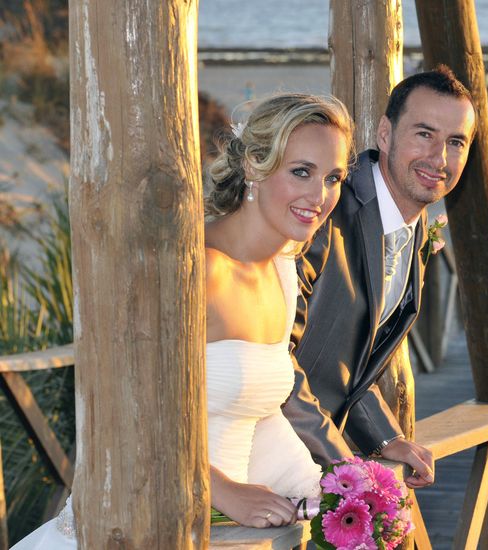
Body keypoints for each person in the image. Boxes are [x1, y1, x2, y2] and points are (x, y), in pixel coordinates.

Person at [12, 93, 354, 548]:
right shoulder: (194, 270)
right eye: (301, 172)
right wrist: (222, 490)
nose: (320, 196)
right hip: (135, 522)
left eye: (333, 177)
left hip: (218, 531)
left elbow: (259, 412)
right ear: (254, 165)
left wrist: (339, 492)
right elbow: (129, 415)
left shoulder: (283, 268)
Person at [284, 66, 477, 488]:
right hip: (265, 454)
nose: (439, 159)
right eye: (424, 134)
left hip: (310, 455)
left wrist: (384, 437)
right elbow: (277, 358)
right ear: (385, 134)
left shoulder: (418, 229)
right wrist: (343, 466)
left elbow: (351, 364)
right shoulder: (323, 210)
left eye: (456, 142)